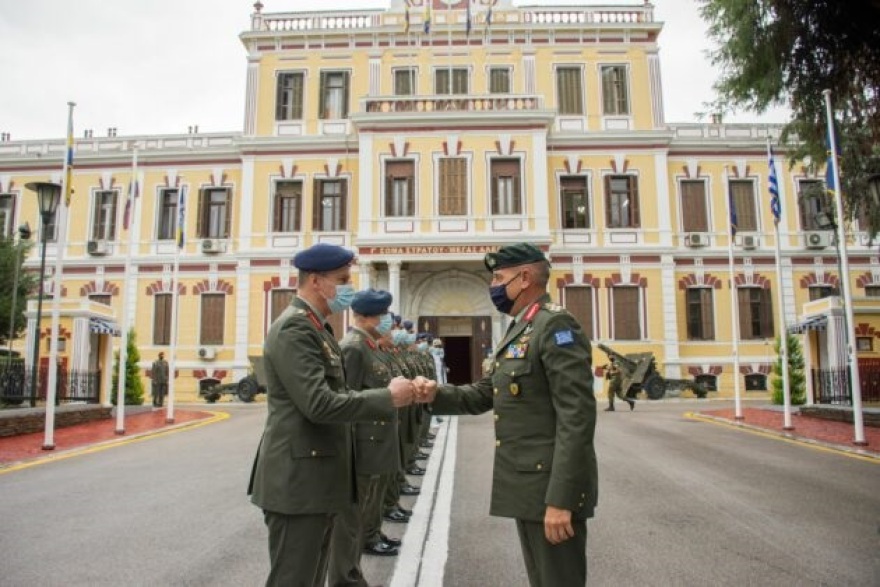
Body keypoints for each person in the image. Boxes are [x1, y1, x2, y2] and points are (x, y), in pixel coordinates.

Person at [413, 242, 598, 587]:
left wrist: (562, 500)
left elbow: (576, 419)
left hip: (550, 490)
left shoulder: (555, 326)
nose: (493, 286)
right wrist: (434, 394)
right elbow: (487, 393)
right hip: (529, 486)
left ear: (524, 278)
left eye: (499, 278)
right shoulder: (522, 328)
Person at [247, 243, 414, 587]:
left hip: (316, 478)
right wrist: (387, 397)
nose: (348, 288)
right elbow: (319, 404)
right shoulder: (295, 328)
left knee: (311, 577)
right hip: (298, 482)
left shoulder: (316, 327)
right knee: (295, 578)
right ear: (316, 281)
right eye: (342, 280)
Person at [328, 289, 400, 587]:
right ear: (368, 317)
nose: (385, 321)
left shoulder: (368, 345)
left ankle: (352, 575)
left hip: (372, 443)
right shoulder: (354, 348)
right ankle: (346, 578)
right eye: (382, 315)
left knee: (360, 516)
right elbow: (347, 400)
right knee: (350, 520)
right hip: (360, 445)